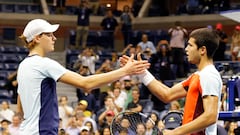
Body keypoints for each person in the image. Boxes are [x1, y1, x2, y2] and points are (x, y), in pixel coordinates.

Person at [17, 18, 150, 134]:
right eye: (50, 34)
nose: (54, 38)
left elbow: (20, 107)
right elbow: (86, 83)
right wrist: (126, 71)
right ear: (37, 38)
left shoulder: (23, 66)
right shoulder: (44, 64)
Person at [120, 28, 223, 135]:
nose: (186, 49)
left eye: (190, 45)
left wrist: (176, 132)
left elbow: (210, 116)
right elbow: (167, 94)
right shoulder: (198, 76)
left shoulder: (209, 75)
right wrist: (142, 72)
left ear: (202, 50)